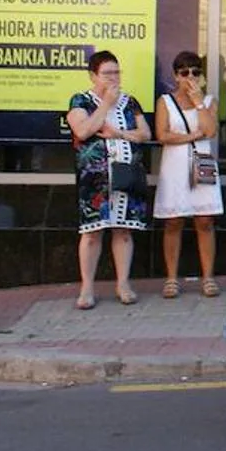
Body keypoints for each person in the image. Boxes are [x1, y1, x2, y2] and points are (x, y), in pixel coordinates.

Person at [66, 51, 152, 310]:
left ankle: (123, 283)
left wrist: (117, 133)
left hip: (126, 175)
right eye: (107, 73)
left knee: (123, 230)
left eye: (117, 72)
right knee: (92, 232)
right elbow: (82, 130)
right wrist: (105, 104)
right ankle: (87, 287)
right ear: (93, 75)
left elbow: (145, 133)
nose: (113, 78)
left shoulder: (130, 102)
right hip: (96, 179)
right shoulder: (81, 100)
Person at [153, 51, 223, 300]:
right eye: (184, 73)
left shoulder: (209, 101)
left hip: (201, 162)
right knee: (174, 220)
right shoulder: (165, 102)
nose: (190, 77)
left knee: (204, 220)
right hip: (174, 166)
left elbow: (211, 130)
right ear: (175, 75)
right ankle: (171, 277)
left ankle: (208, 276)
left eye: (195, 72)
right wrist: (193, 136)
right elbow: (163, 135)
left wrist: (198, 102)